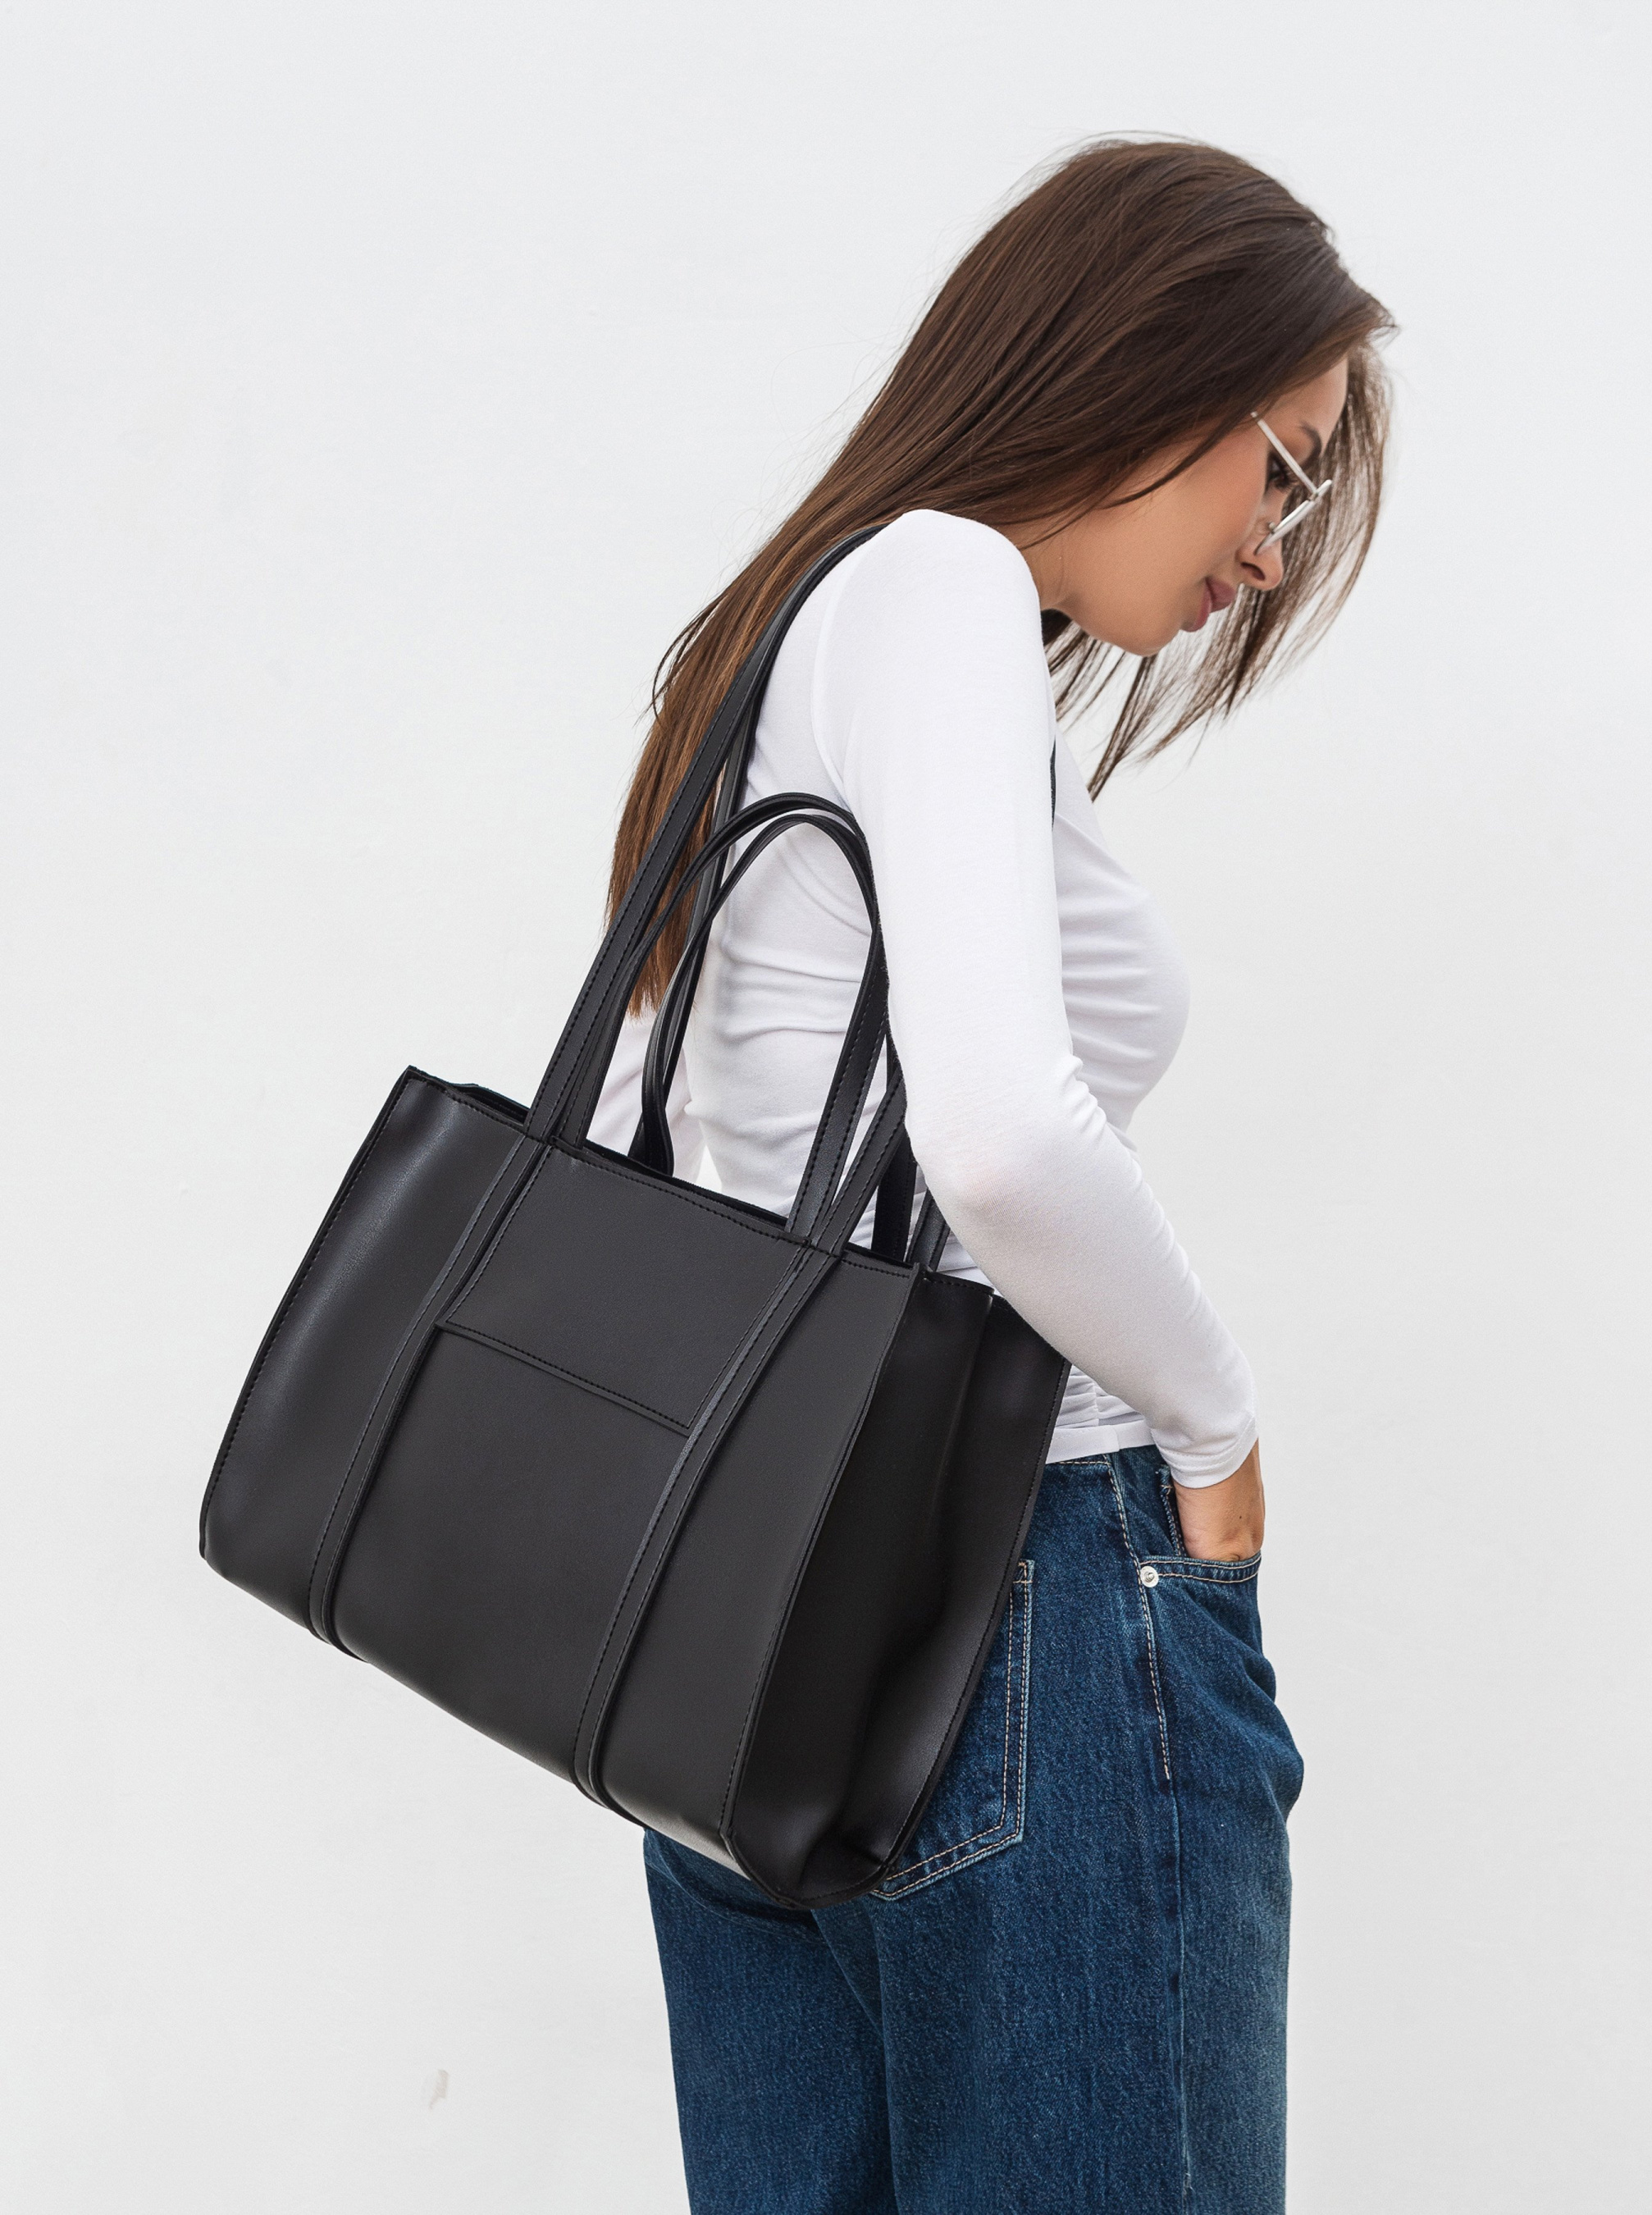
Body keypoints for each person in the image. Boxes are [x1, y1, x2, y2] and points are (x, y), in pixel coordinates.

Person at [586, 136, 1392, 2215]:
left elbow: (680, 1119)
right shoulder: (937, 583)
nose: (1269, 553)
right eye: (1280, 469)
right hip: (1019, 1593)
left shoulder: (786, 629)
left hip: (736, 1634)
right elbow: (1004, 1136)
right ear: (1150, 369)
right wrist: (1214, 1432)